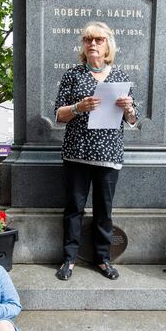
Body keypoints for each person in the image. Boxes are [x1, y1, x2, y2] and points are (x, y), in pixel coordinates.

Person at [53, 21, 138, 281]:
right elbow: (58, 114)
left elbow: (132, 121)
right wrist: (79, 107)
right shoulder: (73, 74)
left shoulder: (121, 77)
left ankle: (103, 259)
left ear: (107, 44)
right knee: (74, 208)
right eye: (88, 39)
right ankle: (69, 259)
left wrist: (128, 108)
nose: (92, 44)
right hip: (77, 152)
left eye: (98, 39)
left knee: (104, 210)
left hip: (109, 155)